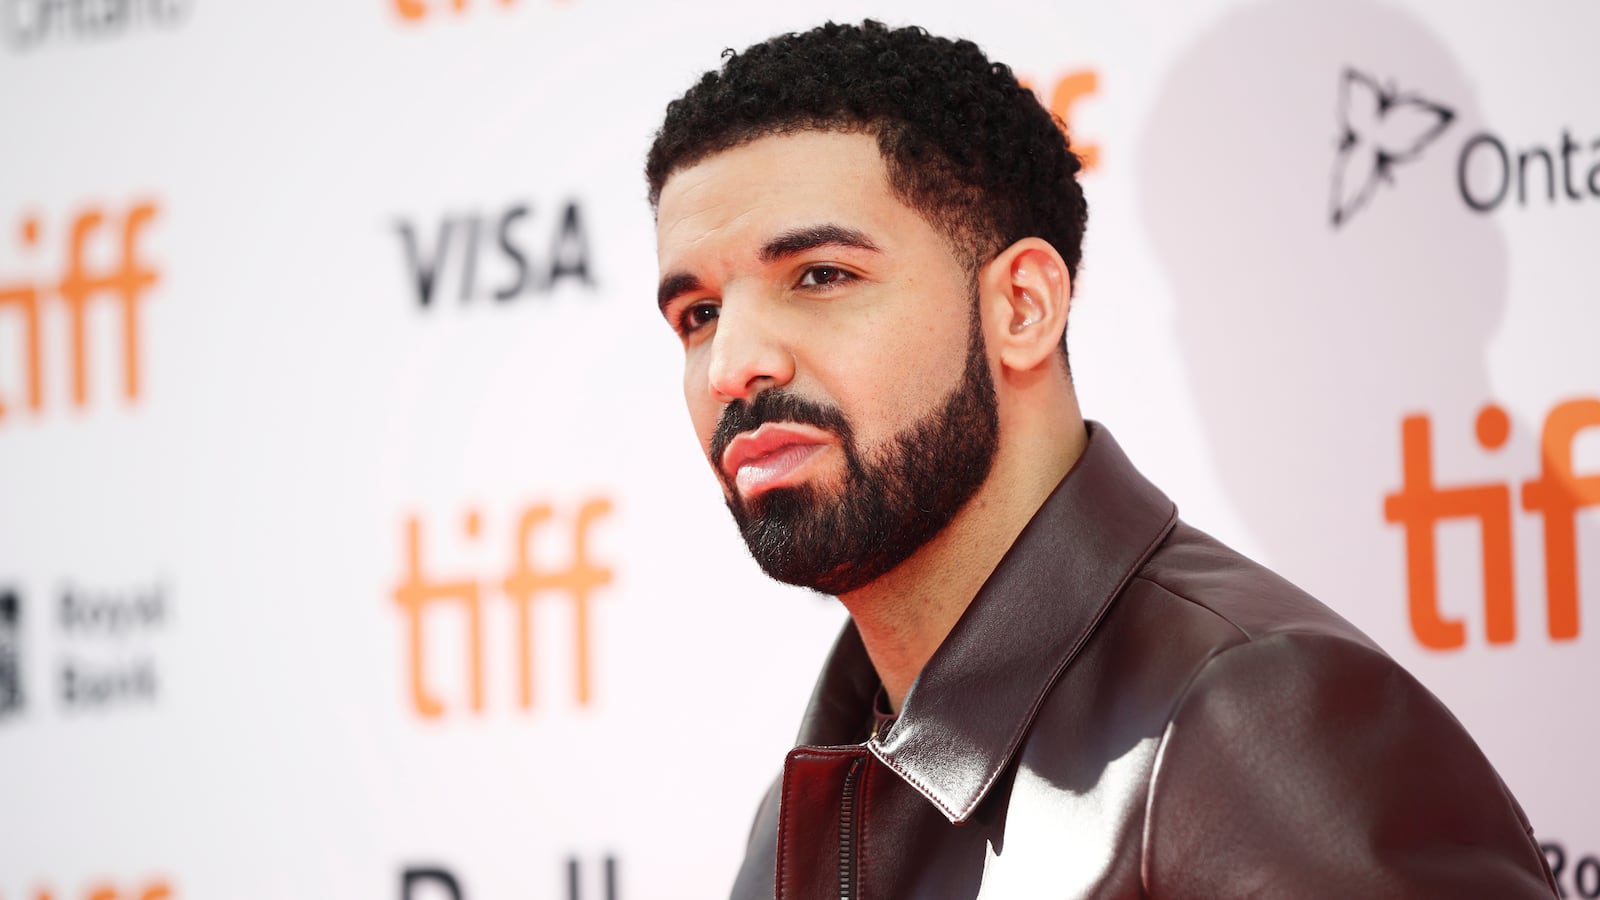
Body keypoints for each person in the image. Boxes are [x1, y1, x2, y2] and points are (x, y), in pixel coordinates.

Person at [645, 20, 1558, 899]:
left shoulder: (1254, 724)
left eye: (820, 276)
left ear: (1023, 307)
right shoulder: (805, 810)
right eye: (699, 315)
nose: (732, 366)